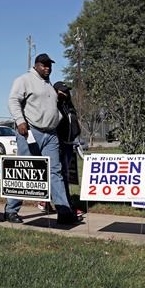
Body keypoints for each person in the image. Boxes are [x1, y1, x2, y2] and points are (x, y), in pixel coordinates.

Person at [5, 53, 82, 225]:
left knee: (55, 172)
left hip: (51, 134)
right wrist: (20, 121)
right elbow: (13, 100)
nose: (47, 68)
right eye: (44, 65)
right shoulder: (24, 80)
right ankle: (11, 210)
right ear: (36, 65)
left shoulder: (49, 86)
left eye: (49, 65)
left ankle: (63, 210)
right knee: (23, 172)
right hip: (30, 132)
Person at [52, 80, 84, 218]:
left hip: (69, 144)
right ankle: (66, 206)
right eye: (62, 91)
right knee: (59, 175)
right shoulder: (54, 106)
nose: (65, 93)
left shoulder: (69, 106)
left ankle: (61, 203)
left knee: (64, 174)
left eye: (66, 91)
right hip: (58, 144)